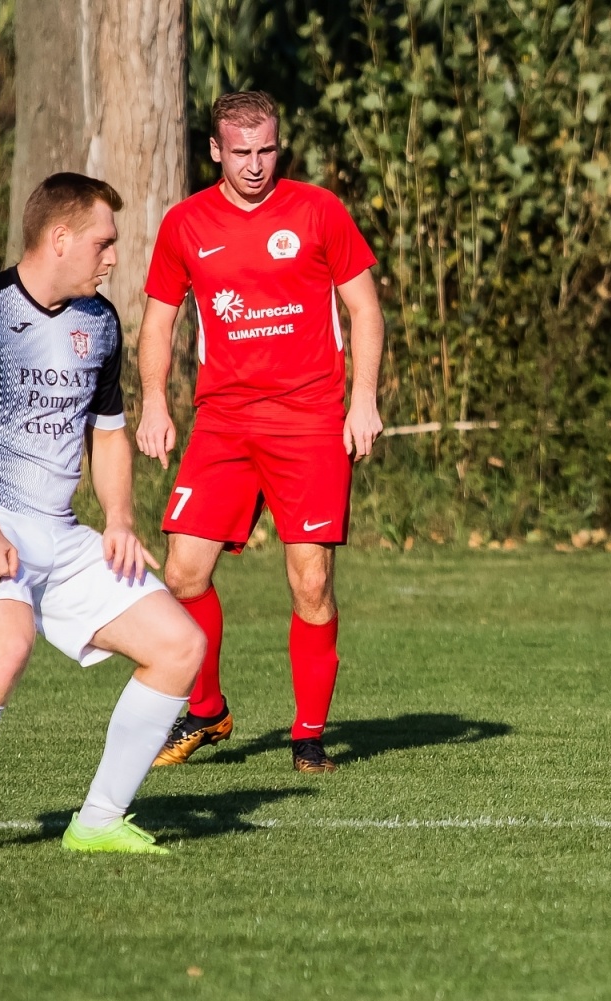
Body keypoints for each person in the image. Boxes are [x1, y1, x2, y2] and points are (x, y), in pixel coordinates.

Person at [0, 173, 206, 864]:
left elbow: (107, 432)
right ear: (59, 237)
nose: (113, 257)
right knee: (6, 643)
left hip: (60, 534)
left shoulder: (99, 322)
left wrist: (120, 519)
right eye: (103, 242)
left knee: (180, 647)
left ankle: (97, 821)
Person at [135, 90, 385, 774]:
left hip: (308, 422)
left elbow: (364, 309)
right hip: (222, 423)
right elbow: (159, 321)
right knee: (184, 575)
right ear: (215, 150)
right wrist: (155, 403)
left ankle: (308, 738)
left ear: (280, 145)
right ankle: (208, 710)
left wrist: (362, 400)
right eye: (240, 152)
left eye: (266, 149)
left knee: (311, 585)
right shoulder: (186, 223)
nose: (255, 164)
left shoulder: (318, 210)